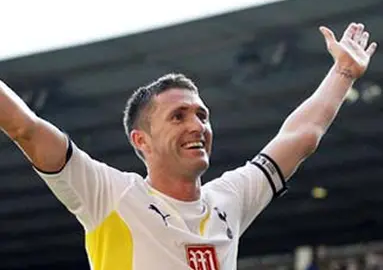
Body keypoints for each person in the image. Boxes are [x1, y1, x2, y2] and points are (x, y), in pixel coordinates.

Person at [0, 22, 377, 270]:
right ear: (140, 140)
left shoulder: (229, 198)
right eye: (178, 116)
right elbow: (26, 128)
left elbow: (299, 137)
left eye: (202, 114)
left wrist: (343, 73)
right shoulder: (109, 194)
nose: (197, 125)